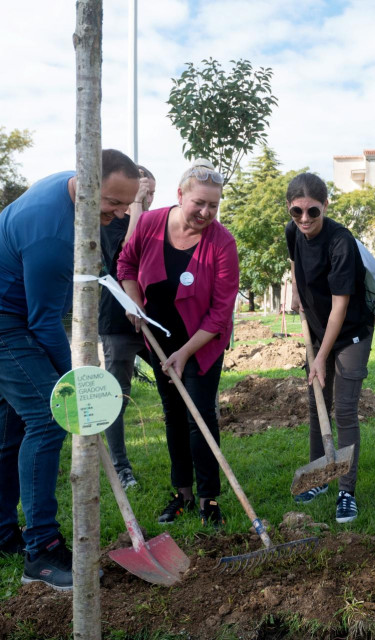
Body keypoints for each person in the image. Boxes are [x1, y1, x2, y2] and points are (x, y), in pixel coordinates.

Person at [0, 149, 140, 590]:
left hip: (19, 315)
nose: (119, 214)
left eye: (125, 204)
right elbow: (43, 322)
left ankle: (4, 533)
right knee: (47, 419)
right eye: (113, 203)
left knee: (11, 429)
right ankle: (40, 553)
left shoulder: (72, 192)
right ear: (86, 181)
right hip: (8, 322)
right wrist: (78, 383)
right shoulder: (52, 236)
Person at [118, 159, 238, 527]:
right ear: (180, 194)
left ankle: (209, 498)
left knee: (199, 413)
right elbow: (125, 263)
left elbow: (220, 313)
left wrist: (185, 354)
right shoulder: (151, 224)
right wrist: (134, 301)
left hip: (202, 343)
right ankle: (182, 493)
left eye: (213, 206)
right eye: (198, 203)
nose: (205, 212)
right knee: (173, 413)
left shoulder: (222, 243)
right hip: (159, 337)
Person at [286, 172, 375, 523]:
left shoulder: (341, 241)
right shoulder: (293, 231)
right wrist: (296, 294)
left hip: (351, 330)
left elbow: (341, 306)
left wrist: (320, 357)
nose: (304, 220)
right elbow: (295, 261)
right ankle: (319, 478)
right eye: (297, 212)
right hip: (319, 327)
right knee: (316, 404)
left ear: (325, 205)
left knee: (345, 410)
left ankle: (345, 492)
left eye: (312, 212)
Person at [99, 165, 156, 490]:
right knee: (117, 397)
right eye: (142, 193)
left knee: (174, 379)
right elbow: (122, 259)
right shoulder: (113, 221)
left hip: (151, 321)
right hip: (117, 324)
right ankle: (122, 468)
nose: (147, 199)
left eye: (150, 192)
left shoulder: (158, 222)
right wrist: (134, 210)